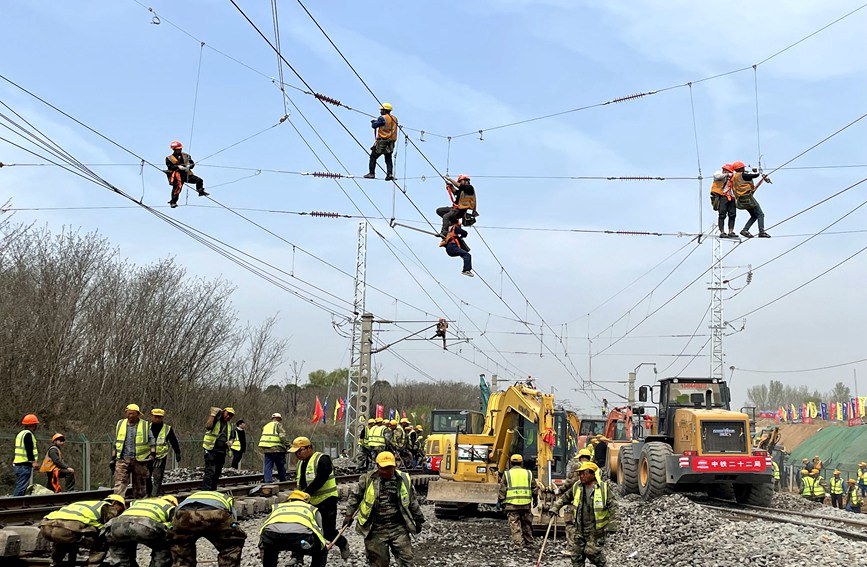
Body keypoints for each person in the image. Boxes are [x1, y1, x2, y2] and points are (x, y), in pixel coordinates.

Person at [343, 451, 425, 567]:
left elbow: (412, 501)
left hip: (398, 527)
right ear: (377, 467)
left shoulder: (403, 480)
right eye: (383, 468)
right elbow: (355, 497)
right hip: (375, 529)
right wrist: (348, 515)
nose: (386, 471)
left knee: (407, 560)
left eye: (389, 468)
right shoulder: (367, 479)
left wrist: (418, 519)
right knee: (378, 563)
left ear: (395, 466)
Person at [290, 436, 350, 560]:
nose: (297, 454)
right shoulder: (300, 463)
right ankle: (297, 556)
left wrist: (307, 492)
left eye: (299, 451)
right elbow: (301, 482)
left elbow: (322, 477)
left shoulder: (322, 459)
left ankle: (342, 543)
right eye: (295, 452)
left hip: (326, 500)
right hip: (307, 501)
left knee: (328, 531)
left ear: (309, 448)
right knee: (301, 529)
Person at [550, 461, 619, 567]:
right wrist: (555, 507)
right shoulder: (577, 486)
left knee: (592, 553)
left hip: (596, 530)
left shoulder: (603, 489)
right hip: (580, 529)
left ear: (593, 474)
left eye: (583, 473)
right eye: (580, 473)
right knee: (576, 556)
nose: (581, 476)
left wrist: (613, 525)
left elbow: (614, 507)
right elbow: (565, 498)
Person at [39, 494, 126, 567]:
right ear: (114, 502)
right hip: (66, 529)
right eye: (121, 509)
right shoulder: (107, 506)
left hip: (46, 526)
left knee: (63, 540)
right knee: (102, 540)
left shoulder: (86, 503)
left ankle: (56, 563)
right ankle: (93, 565)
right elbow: (110, 527)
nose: (119, 513)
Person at [169, 490, 246, 567]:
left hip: (183, 513)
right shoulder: (227, 499)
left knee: (181, 548)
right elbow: (233, 523)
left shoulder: (192, 496)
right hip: (215, 512)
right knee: (231, 546)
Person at [259, 490, 327, 567]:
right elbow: (319, 531)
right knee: (321, 552)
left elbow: (265, 526)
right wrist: (322, 546)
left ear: (289, 500)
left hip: (273, 537)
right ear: (306, 501)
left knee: (270, 549)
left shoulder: (278, 507)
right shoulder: (311, 508)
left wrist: (262, 546)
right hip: (300, 539)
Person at [105, 495, 177, 567]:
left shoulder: (138, 502)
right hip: (144, 526)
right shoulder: (169, 507)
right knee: (163, 547)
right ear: (172, 502)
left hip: (116, 525)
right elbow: (174, 526)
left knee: (121, 553)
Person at [113, 404, 156, 498]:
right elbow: (116, 440)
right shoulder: (120, 424)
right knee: (120, 482)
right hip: (123, 458)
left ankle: (139, 503)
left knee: (139, 485)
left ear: (138, 414)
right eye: (129, 414)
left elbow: (151, 439)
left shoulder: (145, 425)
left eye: (133, 414)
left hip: (140, 460)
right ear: (126, 414)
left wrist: (153, 454)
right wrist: (114, 454)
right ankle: (117, 502)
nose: (131, 416)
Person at [498, 454, 537, 549]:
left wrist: (500, 500)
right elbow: (534, 487)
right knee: (527, 523)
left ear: (511, 463)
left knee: (514, 524)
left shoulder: (507, 474)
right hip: (526, 504)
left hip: (512, 504)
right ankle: (529, 542)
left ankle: (518, 544)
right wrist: (535, 498)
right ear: (521, 462)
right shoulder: (528, 473)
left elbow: (503, 489)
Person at [731, 161, 769, 238]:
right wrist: (757, 171)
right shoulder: (742, 174)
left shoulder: (734, 177)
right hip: (747, 197)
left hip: (740, 199)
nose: (744, 168)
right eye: (743, 167)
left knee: (754, 215)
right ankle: (761, 232)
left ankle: (745, 230)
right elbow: (756, 175)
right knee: (760, 214)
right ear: (741, 168)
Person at [202, 406, 237, 490]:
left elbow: (232, 436)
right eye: (228, 414)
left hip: (221, 451)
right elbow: (208, 426)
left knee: (217, 472)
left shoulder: (229, 425)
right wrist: (212, 415)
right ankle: (206, 489)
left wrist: (231, 442)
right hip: (210, 449)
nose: (228, 417)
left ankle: (213, 488)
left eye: (231, 415)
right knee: (210, 471)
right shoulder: (216, 420)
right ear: (223, 412)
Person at [148, 408, 181, 497]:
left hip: (160, 456)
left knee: (157, 477)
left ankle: (154, 496)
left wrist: (177, 452)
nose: (157, 419)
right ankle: (148, 493)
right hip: (148, 456)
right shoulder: (147, 427)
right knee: (147, 476)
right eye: (156, 417)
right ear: (152, 417)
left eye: (159, 417)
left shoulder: (167, 429)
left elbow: (173, 441)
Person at [165, 140, 208, 208]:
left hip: (187, 174)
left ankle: (200, 191)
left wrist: (189, 166)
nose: (180, 150)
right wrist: (178, 167)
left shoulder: (186, 156)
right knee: (177, 189)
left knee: (199, 180)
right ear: (174, 150)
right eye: (178, 149)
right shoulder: (169, 158)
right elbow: (170, 167)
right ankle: (173, 202)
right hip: (177, 176)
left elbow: (192, 163)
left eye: (180, 148)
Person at [363, 103, 398, 181]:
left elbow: (375, 126)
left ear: (385, 110)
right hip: (391, 143)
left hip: (382, 142)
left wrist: (373, 122)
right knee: (388, 158)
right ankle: (389, 174)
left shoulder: (383, 118)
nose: (380, 111)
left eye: (381, 110)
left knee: (373, 156)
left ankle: (371, 173)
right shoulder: (395, 119)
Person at [13, 413, 40, 496]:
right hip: (24, 465)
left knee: (21, 485)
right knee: (22, 487)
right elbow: (29, 449)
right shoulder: (28, 434)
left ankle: (18, 503)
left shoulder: (20, 434)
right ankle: (16, 504)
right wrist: (33, 461)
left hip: (18, 463)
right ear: (33, 425)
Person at [259, 413, 289, 483]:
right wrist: (288, 445)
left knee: (268, 466)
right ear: (279, 418)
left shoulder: (266, 426)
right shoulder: (278, 425)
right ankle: (283, 481)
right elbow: (282, 437)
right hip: (277, 449)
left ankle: (268, 481)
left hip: (267, 449)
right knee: (280, 466)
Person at [711, 164, 737, 238]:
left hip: (731, 197)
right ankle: (722, 232)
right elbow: (717, 176)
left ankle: (731, 231)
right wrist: (728, 174)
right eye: (726, 170)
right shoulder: (719, 174)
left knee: (732, 215)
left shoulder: (732, 178)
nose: (726, 172)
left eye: (728, 171)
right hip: (722, 196)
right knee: (722, 215)